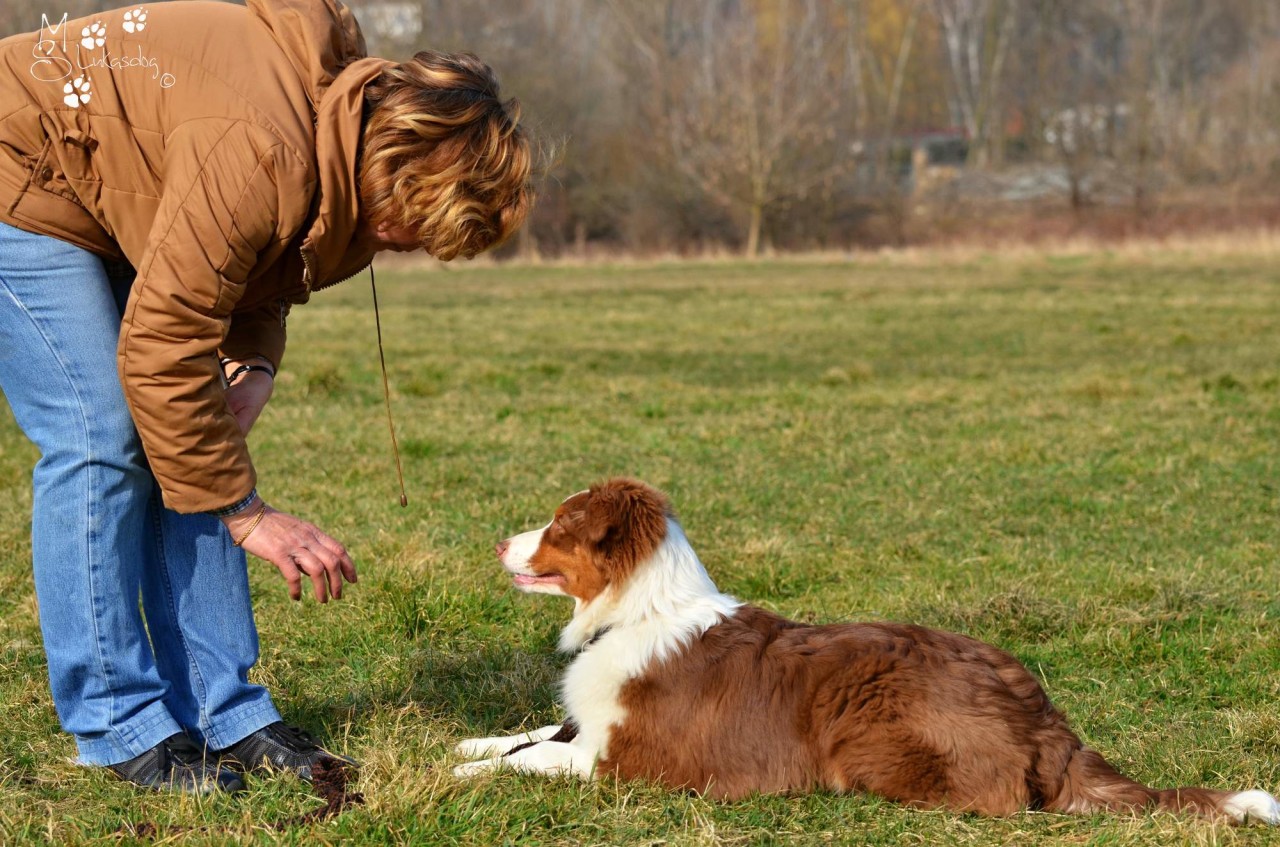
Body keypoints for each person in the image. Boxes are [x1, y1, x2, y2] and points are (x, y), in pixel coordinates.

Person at [0, 0, 532, 793]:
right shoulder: (263, 146)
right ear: (398, 162)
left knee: (195, 427)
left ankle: (226, 711)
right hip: (21, 171)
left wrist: (251, 365)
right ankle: (117, 722)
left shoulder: (335, 139)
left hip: (105, 191)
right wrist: (248, 514)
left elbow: (259, 259)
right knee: (101, 433)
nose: (405, 245)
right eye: (409, 229)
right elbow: (163, 344)